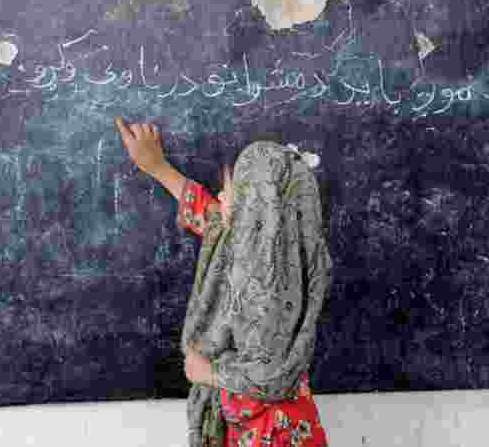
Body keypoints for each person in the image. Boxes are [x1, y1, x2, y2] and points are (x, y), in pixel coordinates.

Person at [115, 118, 333, 447]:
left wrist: (208, 374)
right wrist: (156, 166)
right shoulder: (273, 252)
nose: (220, 196)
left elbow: (269, 372)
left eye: (231, 190)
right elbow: (211, 214)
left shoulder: (271, 287)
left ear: (260, 208)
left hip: (273, 435)